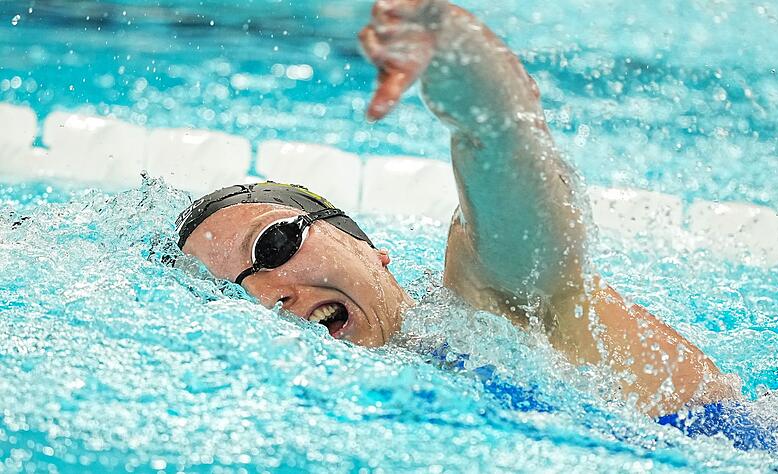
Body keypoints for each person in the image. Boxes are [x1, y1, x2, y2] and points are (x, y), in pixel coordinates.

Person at [176, 0, 743, 427]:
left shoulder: (492, 300)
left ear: (366, 248)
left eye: (271, 246)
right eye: (232, 296)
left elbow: (504, 144)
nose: (266, 296)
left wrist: (451, 49)